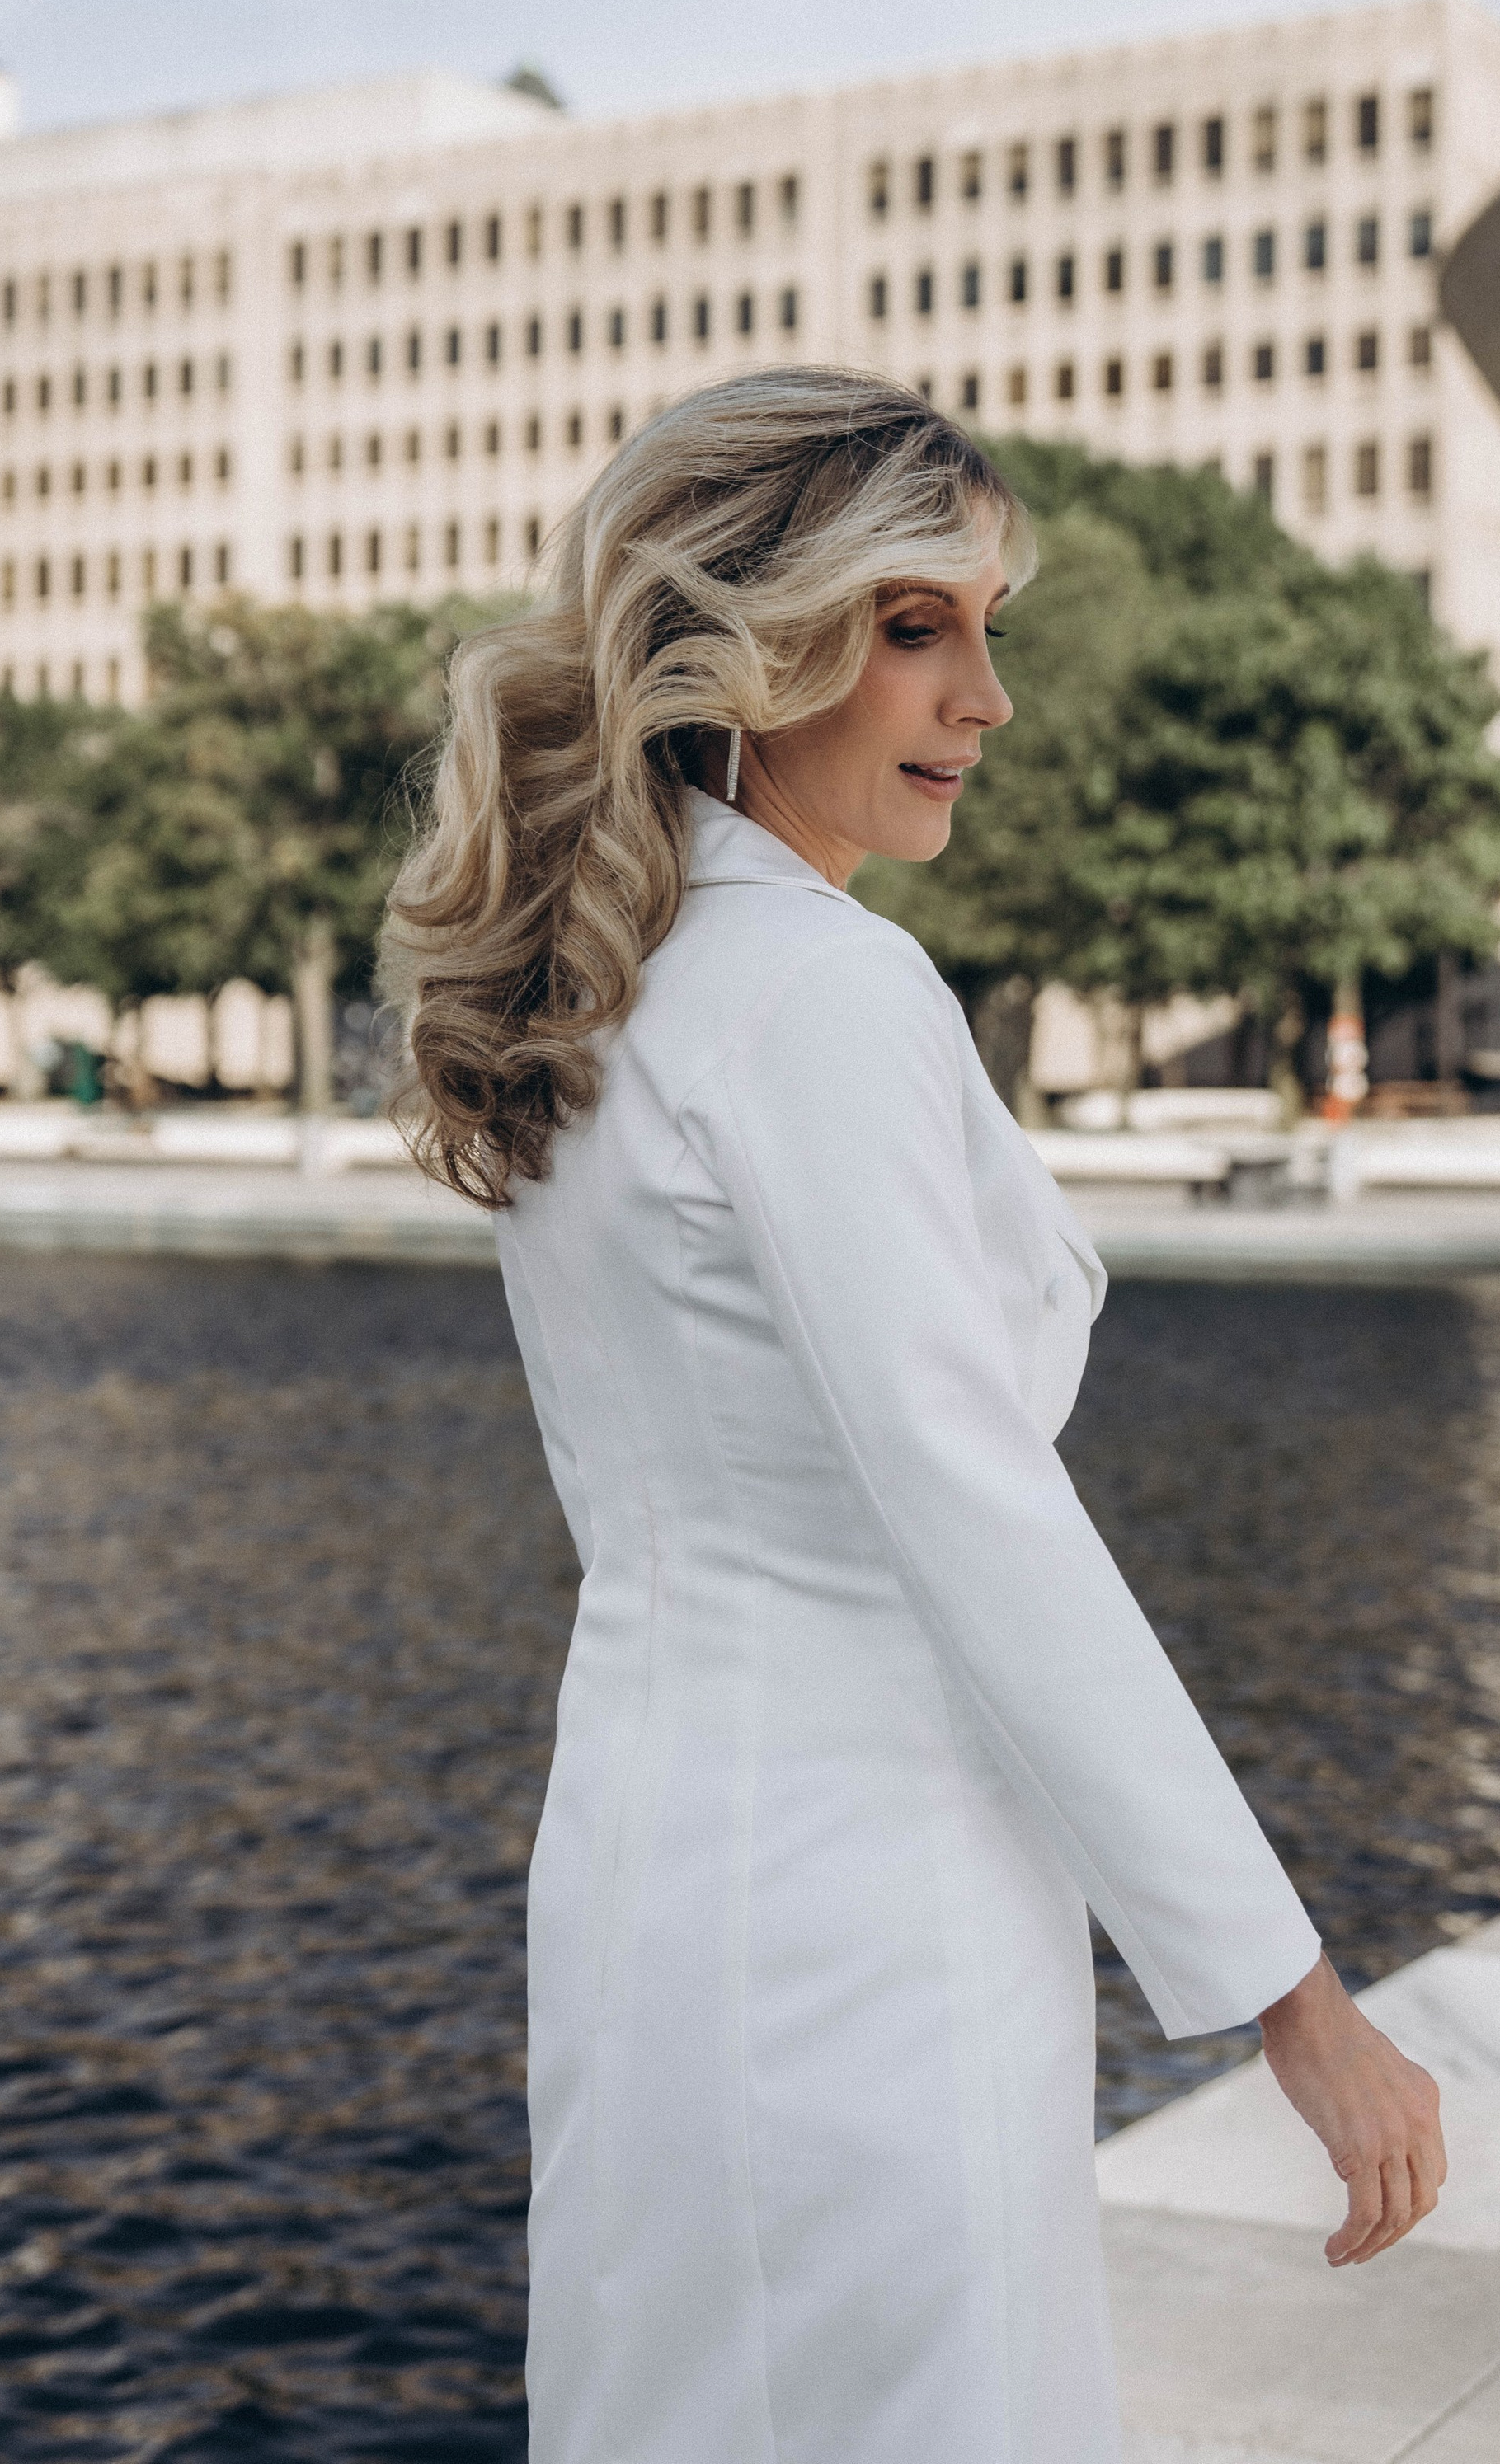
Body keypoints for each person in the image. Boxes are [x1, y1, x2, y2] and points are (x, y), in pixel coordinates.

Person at [383, 371, 1443, 2464]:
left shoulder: (612, 983)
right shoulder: (815, 995)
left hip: (646, 1865)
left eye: (985, 625)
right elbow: (984, 1517)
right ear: (748, 638)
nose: (985, 696)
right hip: (865, 1898)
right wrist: (1290, 1999)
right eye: (912, 626)